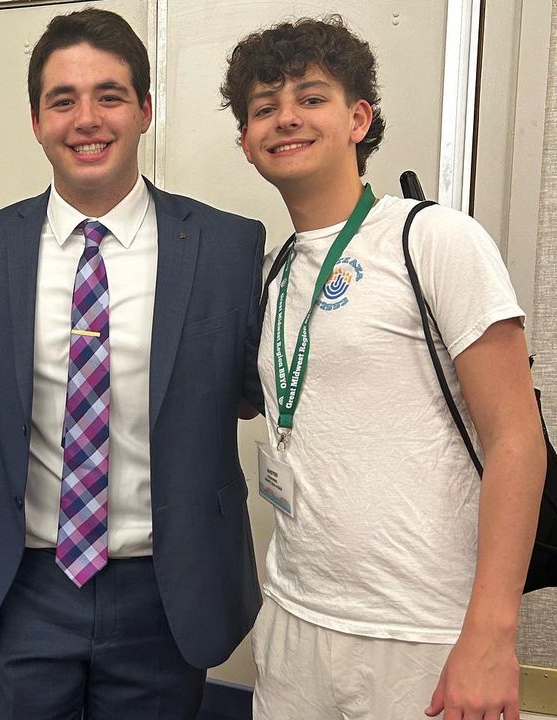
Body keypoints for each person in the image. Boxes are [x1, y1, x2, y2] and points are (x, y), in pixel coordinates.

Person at [220, 16, 547, 720]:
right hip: (295, 621)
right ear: (246, 142)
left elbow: (517, 440)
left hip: (423, 636)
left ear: (358, 118)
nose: (286, 120)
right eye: (264, 108)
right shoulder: (274, 274)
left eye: (311, 98)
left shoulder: (432, 238)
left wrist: (490, 638)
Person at [0, 8, 266, 719]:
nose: (86, 119)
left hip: (167, 590)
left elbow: (255, 391)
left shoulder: (228, 247)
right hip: (22, 587)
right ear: (36, 120)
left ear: (145, 109)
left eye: (110, 95)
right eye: (63, 100)